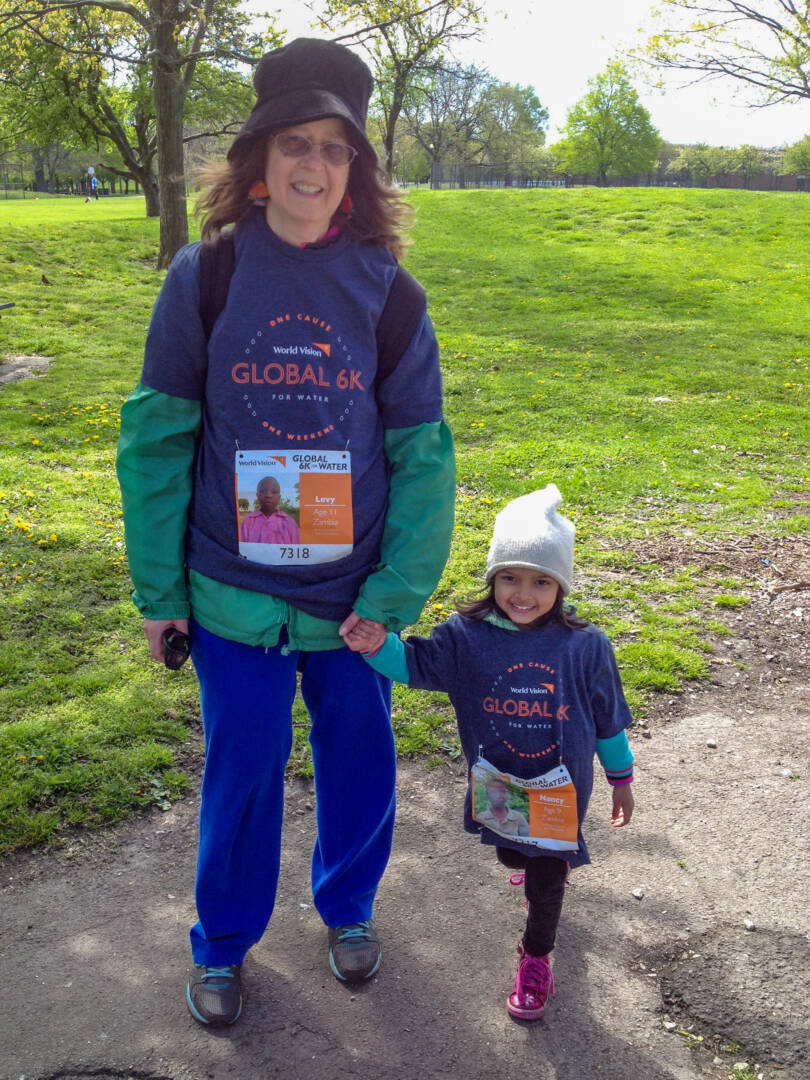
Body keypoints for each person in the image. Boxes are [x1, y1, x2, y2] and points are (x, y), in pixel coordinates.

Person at [116, 37, 455, 1028]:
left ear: (357, 170)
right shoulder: (206, 276)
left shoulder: (390, 293)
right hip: (234, 593)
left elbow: (423, 457)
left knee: (361, 758)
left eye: (336, 149)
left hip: (352, 601)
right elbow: (158, 440)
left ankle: (347, 906)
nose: (313, 166)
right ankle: (222, 944)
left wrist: (393, 599)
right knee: (245, 769)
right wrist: (161, 594)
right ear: (259, 158)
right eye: (294, 143)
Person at [343, 484, 635, 1022]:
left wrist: (621, 778)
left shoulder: (585, 646)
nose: (523, 594)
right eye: (510, 578)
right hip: (498, 785)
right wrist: (374, 646)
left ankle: (536, 957)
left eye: (541, 581)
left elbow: (607, 719)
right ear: (492, 578)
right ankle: (529, 865)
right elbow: (417, 667)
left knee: (547, 875)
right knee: (510, 853)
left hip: (559, 794)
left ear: (561, 586)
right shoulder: (467, 636)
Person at [239, 476, 300, 544]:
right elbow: (243, 550)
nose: (268, 495)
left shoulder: (289, 522)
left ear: (279, 497)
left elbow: (295, 550)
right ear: (257, 495)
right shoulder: (248, 521)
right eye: (263, 491)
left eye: (274, 492)